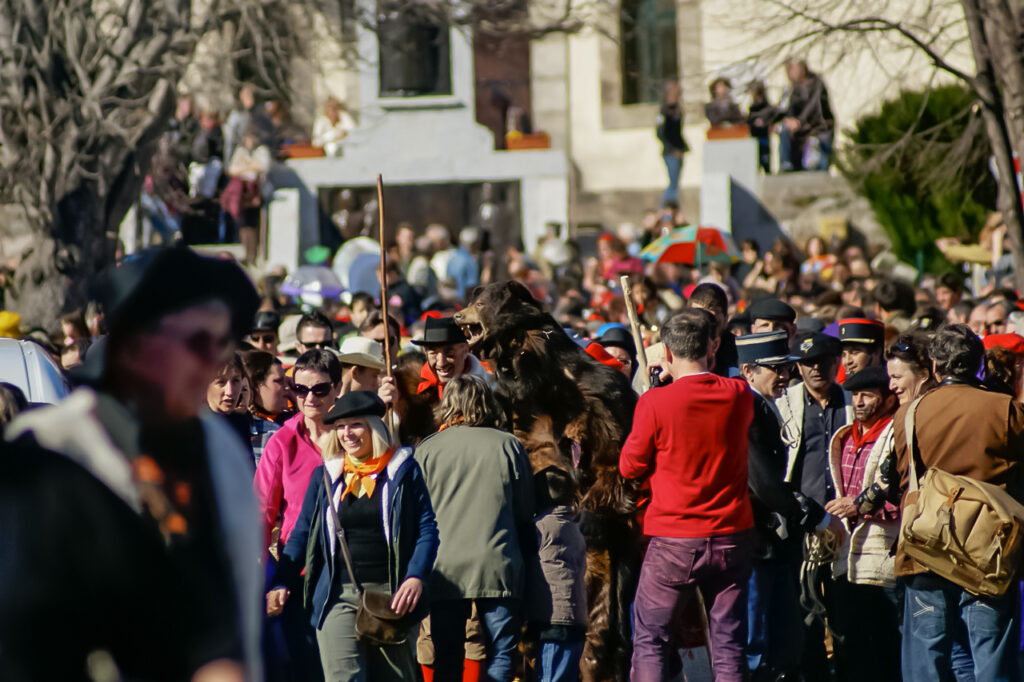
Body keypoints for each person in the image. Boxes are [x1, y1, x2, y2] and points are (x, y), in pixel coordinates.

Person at [4, 247, 263, 679]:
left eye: (221, 344)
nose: (212, 363)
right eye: (196, 342)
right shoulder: (49, 446)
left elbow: (232, 608)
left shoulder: (220, 448)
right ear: (135, 345)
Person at [621, 308, 755, 682]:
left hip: (674, 539)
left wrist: (656, 393)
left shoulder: (654, 403)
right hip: (731, 534)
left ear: (666, 351)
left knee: (651, 640)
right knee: (728, 643)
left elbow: (630, 466)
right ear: (711, 347)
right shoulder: (738, 394)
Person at [267, 391, 439, 682]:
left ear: (374, 426)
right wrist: (282, 578)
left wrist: (415, 575)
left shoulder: (403, 471)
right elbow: (302, 533)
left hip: (391, 595)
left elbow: (427, 529)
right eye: (340, 427)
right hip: (336, 595)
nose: (347, 434)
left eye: (356, 425)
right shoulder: (325, 477)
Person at [893, 325, 1024, 681]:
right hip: (987, 550)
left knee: (926, 659)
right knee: (991, 657)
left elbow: (905, 478)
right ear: (978, 363)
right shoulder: (1007, 409)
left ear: (935, 366)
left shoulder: (910, 411)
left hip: (926, 548)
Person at [736, 331, 841, 680]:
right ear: (749, 371)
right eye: (775, 368)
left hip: (768, 539)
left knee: (781, 639)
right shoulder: (745, 407)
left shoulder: (762, 403)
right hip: (752, 537)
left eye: (786, 368)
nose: (785, 376)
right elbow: (762, 482)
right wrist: (813, 516)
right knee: (755, 642)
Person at [415, 375, 535, 682]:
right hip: (498, 562)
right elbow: (525, 511)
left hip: (445, 568)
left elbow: (416, 513)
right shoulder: (509, 445)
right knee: (502, 652)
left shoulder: (427, 450)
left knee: (447, 654)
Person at [775, 331, 852, 680]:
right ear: (797, 368)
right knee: (804, 612)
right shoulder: (785, 404)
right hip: (801, 526)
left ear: (836, 361)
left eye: (822, 360)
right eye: (807, 363)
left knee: (846, 610)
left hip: (846, 525)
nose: (816, 368)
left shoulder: (851, 400)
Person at [821, 366, 901, 682]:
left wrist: (855, 506)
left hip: (881, 557)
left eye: (867, 395)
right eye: (855, 395)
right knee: (849, 642)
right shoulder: (847, 436)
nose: (859, 402)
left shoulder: (893, 435)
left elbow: (896, 496)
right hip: (845, 557)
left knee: (883, 643)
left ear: (886, 398)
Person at [255, 349, 343, 556]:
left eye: (320, 389)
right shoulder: (281, 442)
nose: (310, 398)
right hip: (299, 561)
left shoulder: (354, 436)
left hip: (348, 560)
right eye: (301, 389)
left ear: (338, 387)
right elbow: (261, 513)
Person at [380, 316, 489, 443]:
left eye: (449, 353)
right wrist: (386, 411)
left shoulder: (488, 388)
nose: (441, 362)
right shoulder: (407, 389)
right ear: (425, 352)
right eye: (433, 353)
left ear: (464, 350)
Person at [526, 465, 588, 682]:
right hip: (576, 618)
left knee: (549, 677)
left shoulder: (540, 527)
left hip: (553, 619)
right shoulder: (574, 528)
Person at [221, 124, 272, 262]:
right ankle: (247, 252)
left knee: (254, 222)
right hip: (242, 194)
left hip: (257, 192)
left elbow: (263, 166)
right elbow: (232, 169)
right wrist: (249, 167)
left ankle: (254, 253)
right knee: (243, 223)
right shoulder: (241, 152)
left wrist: (245, 168)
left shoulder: (262, 151)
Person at [777, 58, 834, 171]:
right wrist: (789, 120)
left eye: (792, 70)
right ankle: (787, 164)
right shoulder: (794, 87)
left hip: (820, 127)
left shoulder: (816, 82)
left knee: (820, 165)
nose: (789, 74)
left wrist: (799, 121)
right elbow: (791, 106)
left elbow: (814, 105)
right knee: (785, 131)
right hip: (803, 129)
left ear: (802, 71)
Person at [241, 350, 289, 466]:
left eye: (286, 380)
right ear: (256, 385)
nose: (287, 387)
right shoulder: (242, 427)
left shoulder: (290, 421)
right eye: (278, 381)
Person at [207, 351, 253, 457]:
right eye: (221, 382)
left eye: (235, 381)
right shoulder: (194, 426)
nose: (230, 391)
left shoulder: (241, 421)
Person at [689, 282, 738, 376]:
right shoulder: (676, 351)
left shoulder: (739, 354)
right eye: (698, 322)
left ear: (725, 320)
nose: (705, 330)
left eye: (713, 323)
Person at [656, 81, 688, 207]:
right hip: (670, 152)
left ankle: (671, 207)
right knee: (673, 183)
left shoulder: (677, 109)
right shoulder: (664, 111)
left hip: (678, 150)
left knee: (676, 183)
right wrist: (673, 148)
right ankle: (666, 208)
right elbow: (660, 133)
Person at [446, 226, 482, 301]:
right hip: (465, 302)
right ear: (475, 243)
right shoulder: (470, 261)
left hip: (452, 301)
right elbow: (472, 287)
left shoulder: (452, 258)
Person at [747, 81, 774, 173]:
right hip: (754, 139)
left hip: (763, 139)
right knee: (755, 165)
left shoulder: (765, 106)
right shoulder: (751, 107)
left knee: (765, 163)